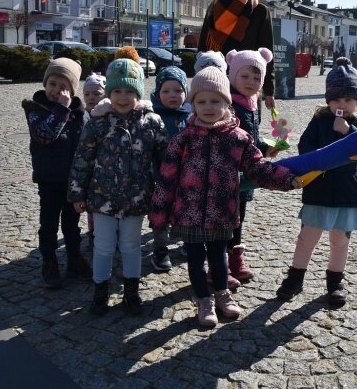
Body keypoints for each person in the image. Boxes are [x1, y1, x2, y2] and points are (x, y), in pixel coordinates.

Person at [149, 67, 301, 327]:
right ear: (193, 104)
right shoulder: (183, 140)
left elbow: (258, 168)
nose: (209, 107)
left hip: (222, 212)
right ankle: (203, 299)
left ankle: (222, 294)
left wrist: (287, 179)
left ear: (226, 103)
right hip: (189, 213)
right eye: (202, 101)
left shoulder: (238, 138)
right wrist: (159, 215)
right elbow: (166, 179)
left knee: (219, 258)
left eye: (216, 101)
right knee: (195, 260)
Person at [68, 58, 168, 316]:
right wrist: (77, 193)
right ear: (109, 93)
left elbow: (165, 160)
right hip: (102, 198)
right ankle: (100, 291)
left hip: (136, 199)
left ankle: (131, 291)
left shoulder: (152, 122)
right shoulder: (98, 123)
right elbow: (82, 159)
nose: (123, 97)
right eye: (117, 91)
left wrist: (166, 190)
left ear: (138, 92)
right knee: (102, 246)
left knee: (131, 245)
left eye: (129, 91)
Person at [276, 58, 357, 308]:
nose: (342, 105)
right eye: (337, 99)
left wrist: (348, 132)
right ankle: (295, 278)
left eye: (348, 99)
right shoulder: (319, 120)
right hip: (319, 189)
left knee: (340, 241)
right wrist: (317, 158)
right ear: (328, 100)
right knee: (307, 237)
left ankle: (335, 283)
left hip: (348, 191)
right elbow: (305, 145)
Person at [22, 58, 92, 288]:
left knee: (72, 224)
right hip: (49, 180)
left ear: (72, 90)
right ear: (45, 84)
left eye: (63, 86)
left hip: (73, 182)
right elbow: (45, 135)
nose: (56, 90)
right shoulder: (36, 110)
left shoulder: (78, 113)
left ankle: (74, 258)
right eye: (52, 84)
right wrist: (61, 109)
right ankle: (49, 261)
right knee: (49, 223)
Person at [223, 48, 277, 287]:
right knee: (225, 218)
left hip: (247, 175)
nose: (251, 82)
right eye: (245, 76)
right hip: (227, 175)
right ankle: (220, 262)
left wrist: (266, 148)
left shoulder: (252, 105)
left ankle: (236, 258)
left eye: (257, 78)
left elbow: (251, 141)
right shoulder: (229, 105)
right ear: (233, 74)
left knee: (239, 218)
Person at [198, 0, 276, 109]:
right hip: (217, 81)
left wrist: (269, 91)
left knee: (247, 128)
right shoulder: (215, 7)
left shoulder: (260, 11)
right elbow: (203, 47)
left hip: (248, 84)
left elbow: (267, 53)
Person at [148, 66, 191, 272]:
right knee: (160, 213)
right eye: (166, 91)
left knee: (185, 209)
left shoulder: (191, 116)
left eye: (178, 90)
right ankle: (160, 249)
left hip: (186, 176)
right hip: (160, 176)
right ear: (157, 93)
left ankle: (186, 241)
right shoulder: (151, 116)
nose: (172, 95)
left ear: (186, 93)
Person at [81, 72, 106, 243]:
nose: (91, 97)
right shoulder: (82, 116)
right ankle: (93, 231)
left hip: (106, 169)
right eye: (87, 94)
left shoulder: (109, 116)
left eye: (97, 93)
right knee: (92, 205)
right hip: (89, 169)